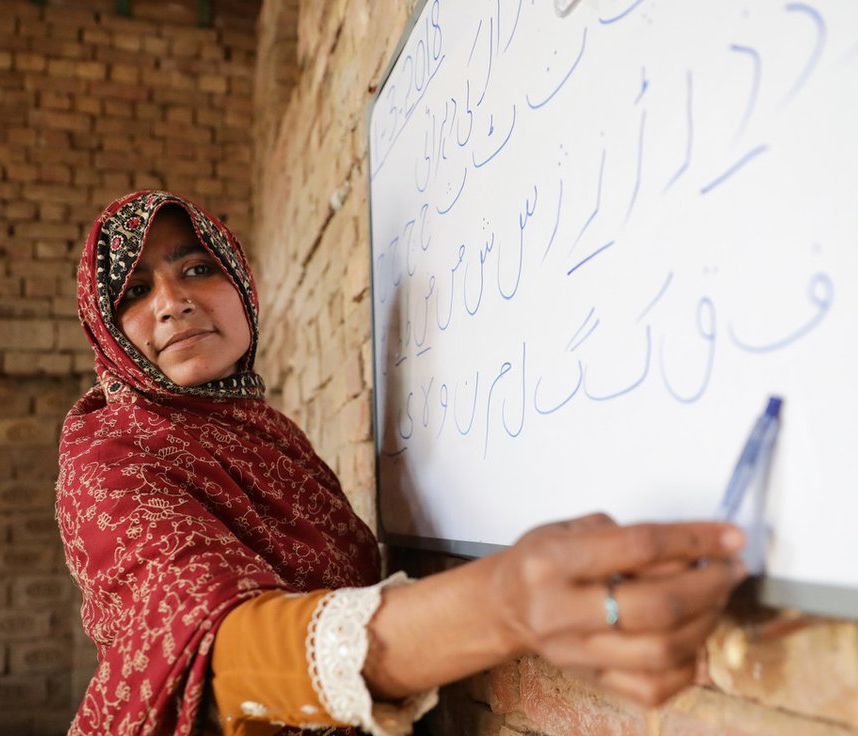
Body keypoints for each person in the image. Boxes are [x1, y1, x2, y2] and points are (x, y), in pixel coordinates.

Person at [56, 190, 746, 736]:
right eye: (134, 292)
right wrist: (507, 603)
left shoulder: (267, 438)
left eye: (196, 268)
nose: (173, 302)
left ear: (241, 283)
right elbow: (213, 654)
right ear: (108, 331)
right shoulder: (109, 451)